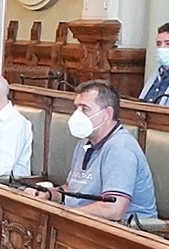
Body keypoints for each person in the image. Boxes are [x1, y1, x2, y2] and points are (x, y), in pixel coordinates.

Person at [56, 81, 158, 223]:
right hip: (84, 222)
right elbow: (72, 188)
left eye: (84, 109)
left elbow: (113, 209)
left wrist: (65, 214)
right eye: (76, 108)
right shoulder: (85, 142)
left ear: (107, 114)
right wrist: (50, 194)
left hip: (124, 230)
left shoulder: (120, 149)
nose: (77, 115)